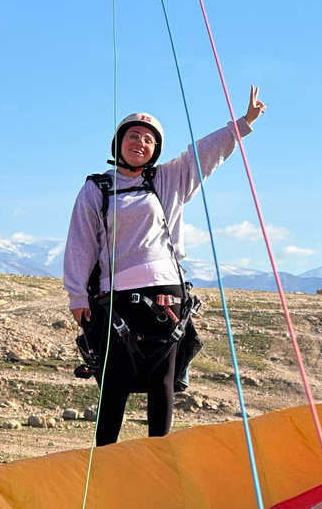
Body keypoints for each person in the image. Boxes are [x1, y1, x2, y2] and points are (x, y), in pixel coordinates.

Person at [64, 86, 266, 446]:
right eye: (132, 136)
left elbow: (204, 154)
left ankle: (162, 465)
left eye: (148, 140)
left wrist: (244, 123)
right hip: (116, 298)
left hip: (166, 295)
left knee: (162, 382)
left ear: (156, 150)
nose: (139, 143)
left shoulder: (169, 180)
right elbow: (81, 242)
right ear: (118, 142)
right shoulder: (96, 188)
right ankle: (104, 466)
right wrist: (77, 294)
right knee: (115, 383)